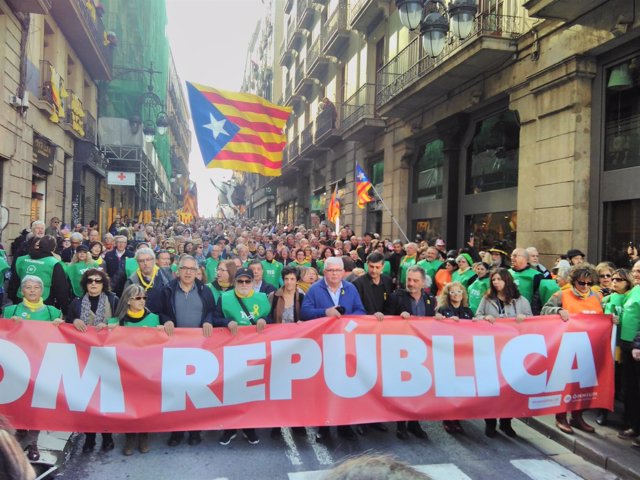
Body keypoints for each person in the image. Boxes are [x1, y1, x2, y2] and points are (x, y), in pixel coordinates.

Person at [301, 256, 366, 442]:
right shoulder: (315, 289)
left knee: (345, 386)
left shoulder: (351, 288)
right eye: (330, 270)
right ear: (324, 272)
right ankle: (324, 426)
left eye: (338, 270)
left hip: (345, 345)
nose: (335, 274)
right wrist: (325, 312)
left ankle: (345, 425)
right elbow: (305, 313)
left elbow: (361, 311)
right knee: (324, 388)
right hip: (323, 346)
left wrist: (347, 319)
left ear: (343, 271)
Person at [3, 276, 64, 461]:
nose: (31, 291)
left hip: (42, 366)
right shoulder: (10, 310)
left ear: (42, 291)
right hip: (17, 368)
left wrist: (61, 326)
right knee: (19, 403)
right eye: (27, 287)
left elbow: (63, 339)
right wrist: (8, 325)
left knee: (36, 406)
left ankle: (33, 442)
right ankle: (21, 432)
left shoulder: (53, 312)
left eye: (35, 287)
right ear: (22, 291)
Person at [160, 255, 216, 447]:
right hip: (174, 349)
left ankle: (194, 430)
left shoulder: (205, 290)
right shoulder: (167, 290)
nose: (188, 272)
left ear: (196, 271)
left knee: (196, 391)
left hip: (199, 349)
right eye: (185, 268)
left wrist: (208, 320)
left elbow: (212, 311)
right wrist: (166, 319)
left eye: (192, 269)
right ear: (178, 270)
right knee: (176, 391)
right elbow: (160, 311)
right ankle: (176, 431)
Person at [541, 264, 603, 434]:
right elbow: (544, 310)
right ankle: (560, 417)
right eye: (582, 283)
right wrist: (558, 310)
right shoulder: (563, 294)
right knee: (564, 383)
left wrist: (611, 320)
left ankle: (577, 416)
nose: (585, 287)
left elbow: (602, 318)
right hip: (565, 346)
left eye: (589, 283)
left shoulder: (596, 297)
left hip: (589, 347)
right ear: (574, 281)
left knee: (583, 384)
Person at [214, 267, 271, 446]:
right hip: (231, 350)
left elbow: (271, 319)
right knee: (231, 390)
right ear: (235, 282)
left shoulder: (262, 298)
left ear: (253, 282)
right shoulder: (225, 298)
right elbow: (213, 317)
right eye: (240, 281)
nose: (244, 284)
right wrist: (226, 321)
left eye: (247, 281)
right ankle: (230, 428)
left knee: (251, 390)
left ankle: (249, 427)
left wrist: (265, 320)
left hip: (255, 351)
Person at [475, 268, 532, 438]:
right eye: (493, 280)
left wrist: (524, 318)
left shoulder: (520, 300)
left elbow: (533, 321)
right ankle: (490, 423)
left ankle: (506, 422)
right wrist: (484, 319)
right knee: (492, 388)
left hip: (512, 351)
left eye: (499, 279)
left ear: (507, 280)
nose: (496, 282)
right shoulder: (487, 299)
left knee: (509, 389)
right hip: (491, 350)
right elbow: (476, 316)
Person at [66, 268, 119, 453]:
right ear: (85, 284)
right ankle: (89, 438)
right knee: (87, 400)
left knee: (105, 398)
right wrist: (73, 321)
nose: (94, 284)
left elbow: (122, 321)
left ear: (103, 283)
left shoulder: (113, 300)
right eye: (90, 281)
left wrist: (112, 324)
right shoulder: (77, 302)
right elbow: (66, 322)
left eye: (98, 280)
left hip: (107, 357)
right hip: (83, 357)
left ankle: (107, 436)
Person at [385, 266, 435, 440]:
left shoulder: (430, 299)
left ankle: (414, 423)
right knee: (403, 388)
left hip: (421, 352)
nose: (411, 284)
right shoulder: (397, 297)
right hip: (401, 351)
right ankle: (401, 425)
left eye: (415, 281)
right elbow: (385, 320)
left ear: (423, 282)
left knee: (419, 388)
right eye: (409, 280)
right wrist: (398, 316)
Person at [109, 284, 160, 455]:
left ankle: (144, 436)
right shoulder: (117, 322)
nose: (142, 301)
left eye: (144, 298)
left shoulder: (153, 319)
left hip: (147, 369)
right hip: (126, 370)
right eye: (138, 298)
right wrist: (104, 328)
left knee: (145, 403)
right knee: (128, 403)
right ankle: (130, 437)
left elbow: (161, 342)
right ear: (128, 300)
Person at [435, 281, 473, 434]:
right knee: (449, 388)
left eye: (459, 292)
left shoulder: (468, 312)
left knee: (460, 389)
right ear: (447, 295)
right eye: (452, 292)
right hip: (446, 354)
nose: (456, 295)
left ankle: (457, 419)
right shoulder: (442, 310)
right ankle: (447, 418)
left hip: (463, 355)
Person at [601, 268, 633, 427]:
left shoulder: (630, 298)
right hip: (609, 344)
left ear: (628, 282)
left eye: (619, 279)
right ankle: (603, 412)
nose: (614, 282)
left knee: (622, 381)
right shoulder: (607, 298)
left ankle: (625, 417)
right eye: (613, 279)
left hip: (625, 344)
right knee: (607, 378)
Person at [9, 235, 70, 314]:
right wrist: (65, 309)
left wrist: (13, 298)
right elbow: (61, 289)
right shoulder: (54, 263)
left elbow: (14, 281)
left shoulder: (21, 259)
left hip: (21, 298)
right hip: (44, 301)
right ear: (54, 248)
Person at [617, 261, 640, 443]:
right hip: (627, 348)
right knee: (630, 388)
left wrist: (638, 345)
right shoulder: (633, 291)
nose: (636, 274)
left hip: (637, 349)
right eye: (634, 271)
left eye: (639, 271)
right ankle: (634, 426)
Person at [123, 247, 172, 315]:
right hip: (142, 320)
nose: (145, 263)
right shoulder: (132, 281)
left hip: (164, 319)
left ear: (154, 260)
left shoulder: (166, 275)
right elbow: (124, 304)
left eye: (148, 259)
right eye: (141, 261)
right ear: (137, 262)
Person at [509, 248, 543, 314]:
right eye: (512, 256)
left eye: (515, 256)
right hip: (508, 313)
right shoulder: (507, 273)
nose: (512, 258)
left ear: (525, 258)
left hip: (528, 314)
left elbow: (539, 299)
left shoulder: (536, 275)